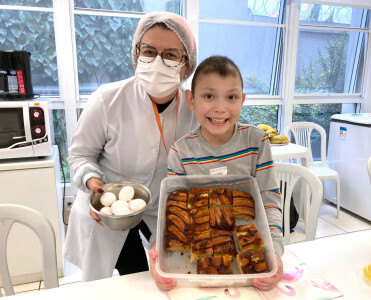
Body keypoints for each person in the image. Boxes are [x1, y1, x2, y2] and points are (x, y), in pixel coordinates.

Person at [63, 11, 198, 282]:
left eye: (171, 54)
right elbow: (80, 155)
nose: (157, 61)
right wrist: (91, 181)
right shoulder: (107, 100)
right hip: (108, 211)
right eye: (149, 51)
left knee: (172, 274)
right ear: (137, 54)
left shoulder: (194, 108)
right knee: (131, 278)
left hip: (161, 206)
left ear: (187, 65)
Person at [150, 56, 284, 291]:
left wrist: (275, 253)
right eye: (209, 96)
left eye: (231, 97)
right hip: (196, 259)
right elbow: (173, 210)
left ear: (242, 100)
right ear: (191, 100)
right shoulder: (181, 151)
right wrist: (157, 250)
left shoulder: (257, 142)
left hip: (252, 252)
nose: (220, 108)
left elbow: (269, 199)